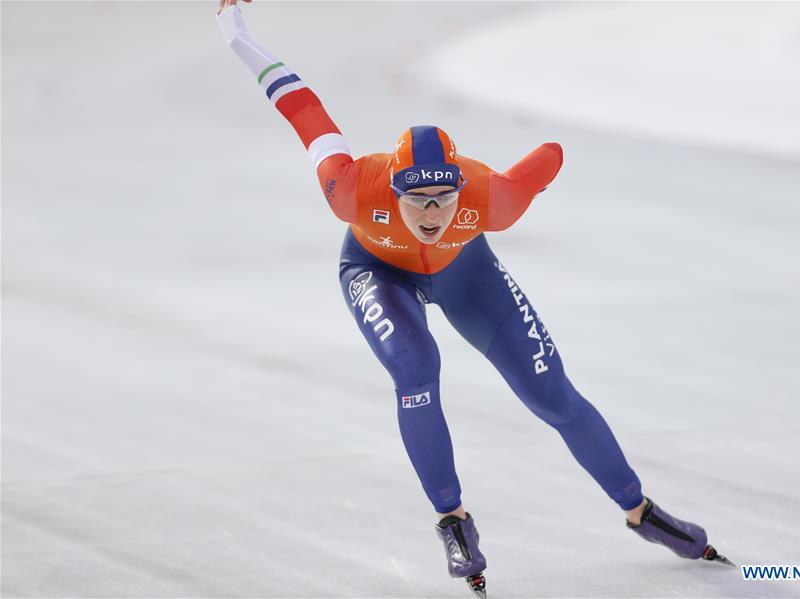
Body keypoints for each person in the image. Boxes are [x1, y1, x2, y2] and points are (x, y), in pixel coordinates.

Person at [215, 1, 730, 595]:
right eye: (416, 199)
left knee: (553, 395)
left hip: (467, 273)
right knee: (416, 368)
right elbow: (300, 104)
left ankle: (639, 510)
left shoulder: (494, 198)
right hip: (378, 269)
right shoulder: (351, 186)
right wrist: (236, 34)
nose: (431, 213)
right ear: (393, 188)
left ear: (462, 188)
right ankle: (452, 519)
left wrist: (548, 159)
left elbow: (548, 161)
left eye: (443, 198)